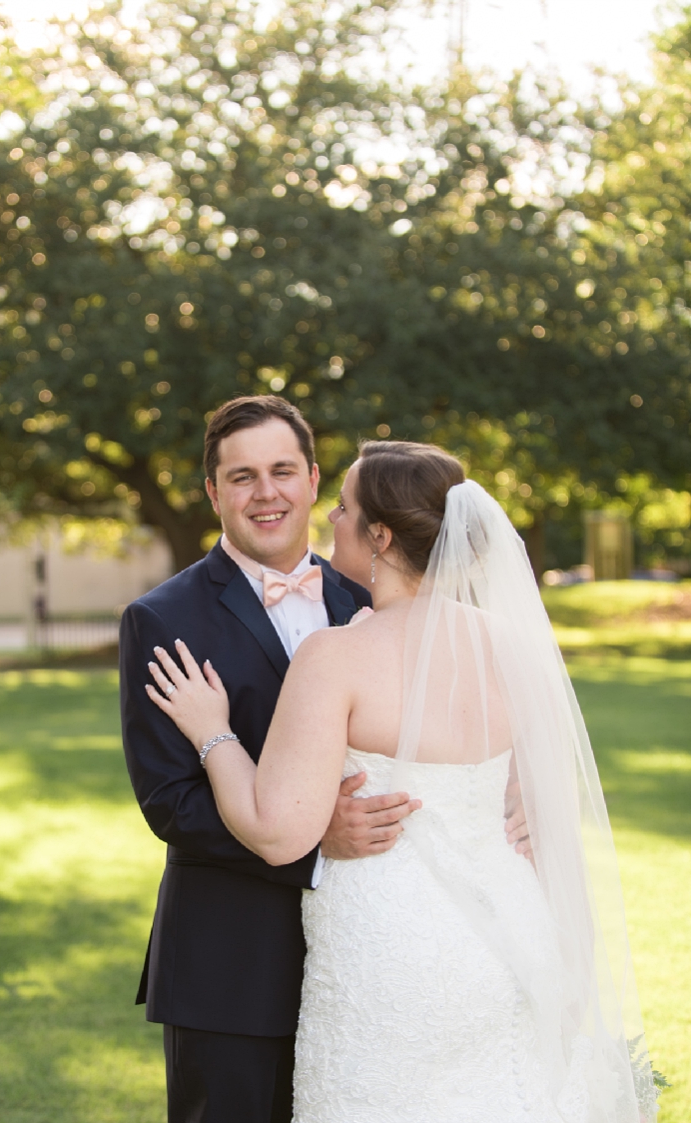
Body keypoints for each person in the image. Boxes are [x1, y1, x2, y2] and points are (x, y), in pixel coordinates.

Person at [146, 441, 653, 1121]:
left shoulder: (338, 655)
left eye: (346, 507)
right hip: (511, 934)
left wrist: (214, 733)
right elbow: (536, 803)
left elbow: (276, 830)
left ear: (380, 536)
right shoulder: (512, 647)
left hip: (391, 952)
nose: (331, 517)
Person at [120, 395, 423, 1122]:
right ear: (213, 491)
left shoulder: (373, 598)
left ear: (315, 479)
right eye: (243, 475)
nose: (267, 493)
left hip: (367, 950)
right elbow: (171, 801)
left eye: (282, 470)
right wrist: (318, 837)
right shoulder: (163, 617)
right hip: (229, 961)